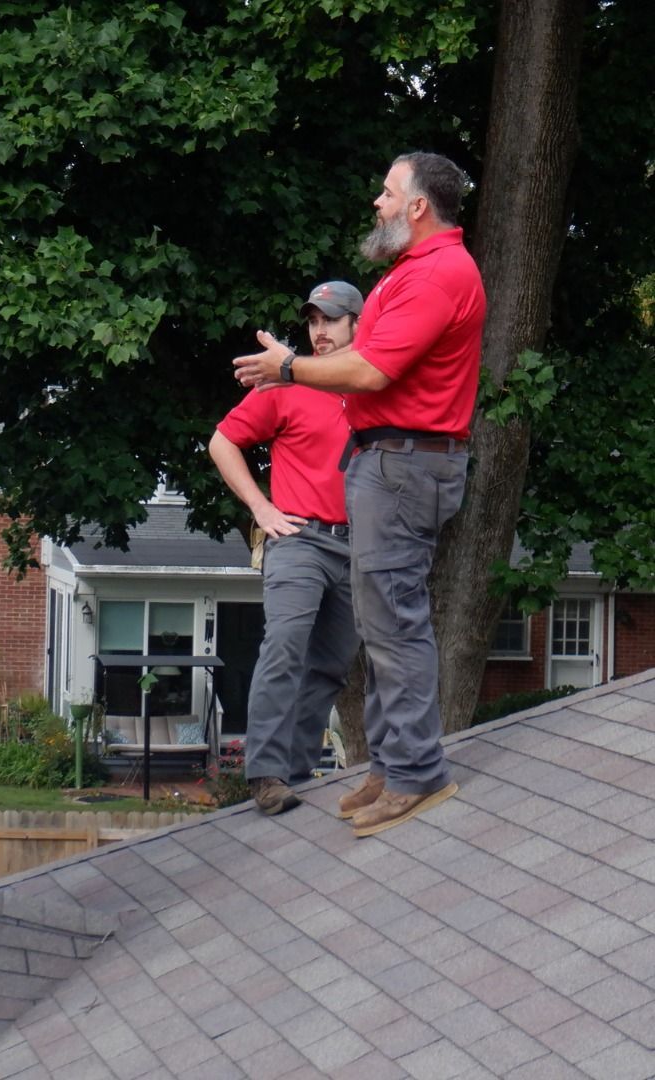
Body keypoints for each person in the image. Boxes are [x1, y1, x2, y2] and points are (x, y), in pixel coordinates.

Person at [233, 152, 486, 837]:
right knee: (378, 621)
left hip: (406, 463)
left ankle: (416, 772)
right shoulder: (409, 274)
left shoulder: (439, 273)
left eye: (387, 191)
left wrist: (288, 366)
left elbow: (371, 371)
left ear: (417, 207)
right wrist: (297, 372)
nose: (376, 201)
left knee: (395, 618)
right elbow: (359, 368)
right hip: (389, 462)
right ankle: (392, 764)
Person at [210, 280, 364, 815]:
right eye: (313, 321)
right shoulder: (284, 383)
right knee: (286, 646)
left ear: (356, 325)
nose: (319, 330)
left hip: (358, 548)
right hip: (299, 539)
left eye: (331, 319)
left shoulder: (370, 385)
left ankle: (296, 774)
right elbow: (222, 440)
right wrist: (260, 507)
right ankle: (267, 774)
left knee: (330, 667)